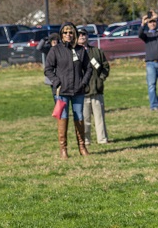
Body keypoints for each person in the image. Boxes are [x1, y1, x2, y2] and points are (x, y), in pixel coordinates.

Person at [45, 22, 93, 158]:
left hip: (78, 90)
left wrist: (83, 83)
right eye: (65, 33)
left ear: (74, 34)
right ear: (61, 35)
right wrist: (56, 81)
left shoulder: (80, 50)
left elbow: (89, 68)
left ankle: (82, 147)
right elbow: (48, 69)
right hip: (61, 91)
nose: (68, 35)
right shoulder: (55, 50)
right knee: (63, 117)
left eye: (70, 32)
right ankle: (63, 149)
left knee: (79, 116)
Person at [78, 29, 110, 145]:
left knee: (99, 117)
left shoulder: (96, 51)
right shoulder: (74, 53)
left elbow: (105, 67)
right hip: (82, 92)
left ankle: (102, 139)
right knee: (85, 119)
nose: (82, 37)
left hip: (97, 89)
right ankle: (86, 140)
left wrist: (101, 79)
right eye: (79, 35)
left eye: (84, 34)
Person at [138, 10, 158, 111]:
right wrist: (142, 23)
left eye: (154, 21)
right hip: (150, 63)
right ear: (148, 24)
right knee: (151, 85)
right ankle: (154, 105)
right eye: (150, 22)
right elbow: (139, 34)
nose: (152, 23)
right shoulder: (146, 35)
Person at [40, 32, 61, 102]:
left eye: (56, 40)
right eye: (53, 40)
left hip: (61, 74)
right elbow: (39, 48)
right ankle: (58, 108)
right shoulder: (48, 49)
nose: (54, 42)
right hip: (52, 75)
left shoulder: (61, 49)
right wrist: (44, 39)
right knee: (55, 93)